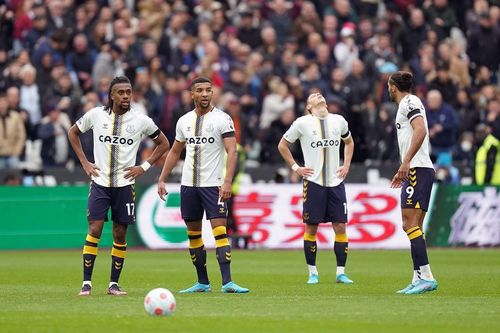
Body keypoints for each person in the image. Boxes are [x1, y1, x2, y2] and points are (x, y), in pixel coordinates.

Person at [68, 76, 169, 296]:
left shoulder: (141, 120)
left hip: (125, 185)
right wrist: (85, 162)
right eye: (121, 92)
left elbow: (164, 143)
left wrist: (143, 167)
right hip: (100, 183)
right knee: (94, 229)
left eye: (128, 92)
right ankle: (86, 283)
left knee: (119, 234)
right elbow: (73, 132)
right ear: (111, 95)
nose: (125, 96)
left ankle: (113, 284)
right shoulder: (96, 115)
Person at [157, 77, 249, 294]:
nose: (205, 94)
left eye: (209, 90)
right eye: (200, 90)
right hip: (188, 186)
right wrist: (162, 178)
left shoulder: (222, 119)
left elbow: (232, 151)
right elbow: (174, 151)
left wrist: (227, 181)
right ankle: (202, 282)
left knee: (220, 232)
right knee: (194, 235)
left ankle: (227, 282)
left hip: (213, 186)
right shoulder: (184, 121)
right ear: (192, 94)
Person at [277, 92, 355, 285]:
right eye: (313, 96)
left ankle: (340, 273)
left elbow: (349, 142)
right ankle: (313, 273)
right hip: (314, 183)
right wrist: (296, 168)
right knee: (311, 228)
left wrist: (346, 166)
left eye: (320, 95)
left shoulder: (339, 121)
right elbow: (283, 145)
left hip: (336, 183)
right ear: (309, 107)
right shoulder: (302, 123)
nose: (318, 96)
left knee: (340, 226)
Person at [388, 71, 438, 294]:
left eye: (389, 86)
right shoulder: (407, 104)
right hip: (419, 168)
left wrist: (406, 162)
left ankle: (426, 276)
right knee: (415, 226)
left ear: (393, 87)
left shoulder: (409, 101)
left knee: (409, 224)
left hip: (417, 168)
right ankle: (418, 277)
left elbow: (421, 130)